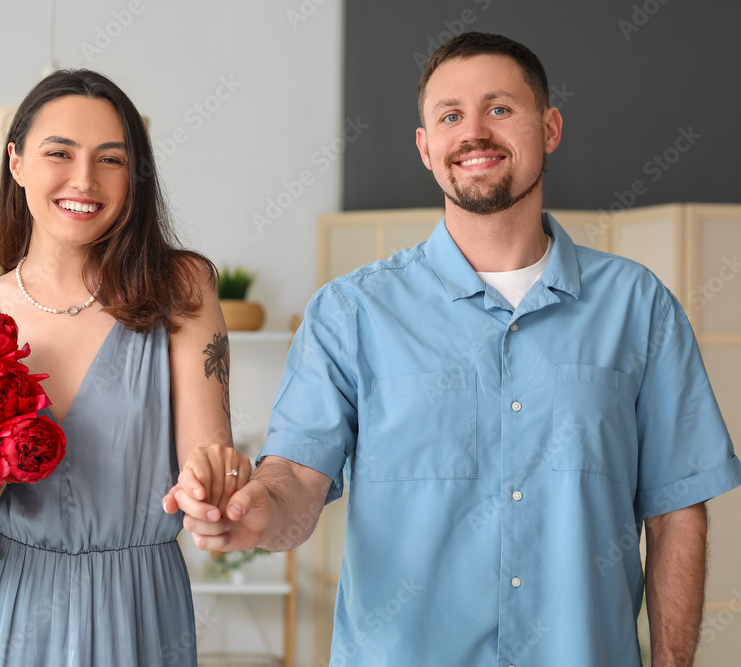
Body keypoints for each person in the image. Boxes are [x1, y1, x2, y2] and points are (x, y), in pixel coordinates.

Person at [166, 32, 741, 666]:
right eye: (450, 116)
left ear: (549, 128)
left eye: (499, 109)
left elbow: (676, 512)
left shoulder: (640, 307)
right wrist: (252, 513)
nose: (474, 132)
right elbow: (295, 482)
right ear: (425, 147)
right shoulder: (351, 313)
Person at [0, 69, 250, 667]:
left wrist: (214, 483)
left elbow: (207, 455)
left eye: (111, 159)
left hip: (136, 611)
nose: (85, 180)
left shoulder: (182, 289)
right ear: (16, 162)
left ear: (135, 178)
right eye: (60, 153)